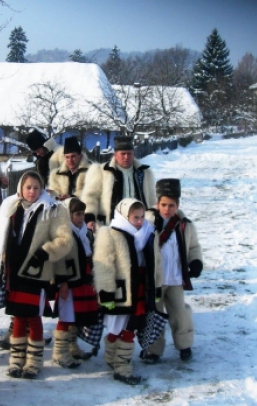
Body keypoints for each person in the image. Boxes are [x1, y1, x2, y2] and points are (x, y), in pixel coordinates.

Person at [0, 171, 72, 379]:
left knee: (33, 317)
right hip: (15, 271)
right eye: (28, 187)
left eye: (36, 187)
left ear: (42, 188)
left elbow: (64, 240)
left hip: (37, 271)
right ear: (21, 188)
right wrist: (1, 249)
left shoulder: (53, 209)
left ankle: (33, 361)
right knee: (18, 316)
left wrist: (45, 252)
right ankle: (16, 359)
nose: (32, 191)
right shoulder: (11, 207)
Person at [92, 198, 161, 385]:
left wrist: (157, 287)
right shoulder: (110, 233)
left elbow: (156, 263)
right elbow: (104, 264)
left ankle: (122, 366)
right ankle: (113, 358)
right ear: (124, 216)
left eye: (141, 217)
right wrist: (106, 292)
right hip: (120, 291)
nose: (139, 221)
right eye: (134, 218)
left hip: (140, 288)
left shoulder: (148, 233)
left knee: (130, 328)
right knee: (116, 327)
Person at [141, 179, 204, 364]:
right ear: (157, 203)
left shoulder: (185, 225)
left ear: (178, 204)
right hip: (155, 281)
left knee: (180, 314)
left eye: (171, 205)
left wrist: (196, 261)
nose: (167, 209)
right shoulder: (146, 223)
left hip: (175, 279)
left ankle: (184, 345)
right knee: (155, 315)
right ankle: (153, 350)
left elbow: (193, 246)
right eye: (164, 205)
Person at [51, 197, 100, 368]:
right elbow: (59, 260)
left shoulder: (85, 233)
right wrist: (62, 282)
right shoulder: (64, 233)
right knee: (66, 316)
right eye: (77, 214)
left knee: (75, 317)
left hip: (82, 281)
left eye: (83, 214)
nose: (81, 217)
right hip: (69, 283)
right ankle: (59, 352)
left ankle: (72, 346)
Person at [81, 136, 156, 226]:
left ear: (133, 154)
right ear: (115, 155)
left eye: (129, 153)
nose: (126, 157)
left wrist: (151, 218)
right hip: (110, 225)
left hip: (139, 224)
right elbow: (90, 197)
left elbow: (151, 200)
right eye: (123, 154)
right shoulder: (101, 171)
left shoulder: (144, 173)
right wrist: (90, 218)